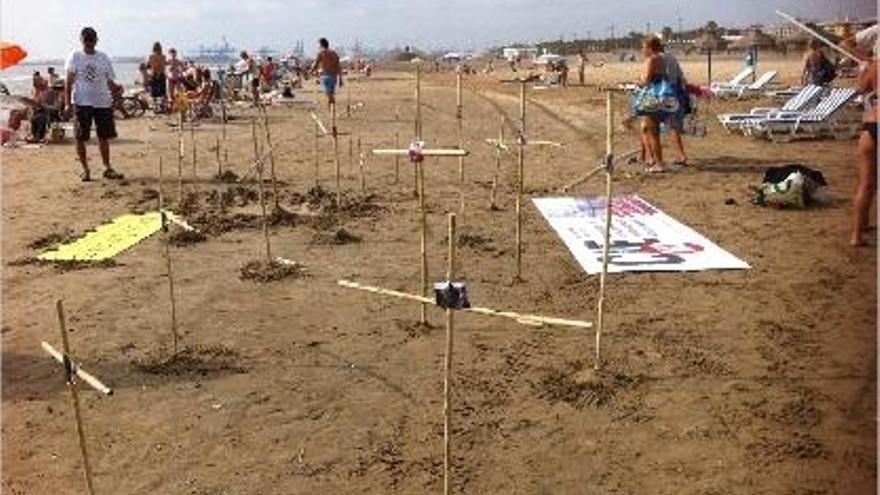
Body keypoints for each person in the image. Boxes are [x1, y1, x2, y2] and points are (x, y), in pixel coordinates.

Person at [63, 27, 123, 181]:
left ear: (96, 40)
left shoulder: (103, 57)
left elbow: (109, 80)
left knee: (104, 136)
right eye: (86, 39)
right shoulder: (75, 56)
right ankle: (85, 169)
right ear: (81, 40)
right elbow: (68, 82)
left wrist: (116, 89)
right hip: (82, 102)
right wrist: (67, 104)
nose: (89, 42)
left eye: (92, 39)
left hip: (102, 102)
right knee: (80, 137)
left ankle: (107, 168)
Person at [848, 27, 878, 246]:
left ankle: (857, 235)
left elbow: (861, 89)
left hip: (870, 125)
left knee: (866, 184)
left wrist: (866, 65)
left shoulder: (873, 67)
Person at [639, 36, 667, 173]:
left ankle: (659, 163)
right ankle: (653, 159)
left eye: (643, 47)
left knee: (653, 132)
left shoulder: (651, 60)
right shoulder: (661, 59)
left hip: (651, 96)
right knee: (647, 128)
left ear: (649, 48)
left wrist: (637, 81)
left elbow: (646, 81)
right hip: (659, 94)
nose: (642, 50)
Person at [659, 43, 689, 166]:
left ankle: (681, 155)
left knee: (671, 127)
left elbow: (661, 77)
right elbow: (681, 77)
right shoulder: (672, 57)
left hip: (664, 94)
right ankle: (644, 156)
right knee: (671, 126)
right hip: (676, 92)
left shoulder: (658, 59)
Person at [310, 37, 344, 120]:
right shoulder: (334, 53)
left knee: (329, 96)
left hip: (326, 76)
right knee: (331, 95)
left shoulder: (321, 53)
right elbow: (338, 66)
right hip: (334, 77)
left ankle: (331, 113)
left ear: (321, 45)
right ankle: (331, 112)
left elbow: (315, 64)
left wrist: (310, 71)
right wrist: (340, 78)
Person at [147, 42, 167, 111]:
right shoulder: (163, 56)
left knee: (154, 92)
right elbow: (163, 66)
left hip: (154, 74)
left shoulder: (151, 56)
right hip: (161, 74)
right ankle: (162, 106)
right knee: (162, 91)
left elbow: (148, 66)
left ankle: (155, 107)